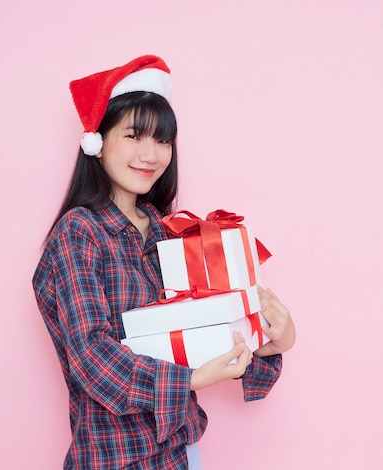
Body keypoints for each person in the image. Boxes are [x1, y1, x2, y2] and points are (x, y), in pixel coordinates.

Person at [32, 54, 296, 470]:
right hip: (115, 459)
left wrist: (271, 342)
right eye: (134, 135)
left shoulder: (165, 231)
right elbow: (91, 356)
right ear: (97, 143)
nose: (151, 155)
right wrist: (189, 380)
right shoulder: (78, 233)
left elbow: (203, 329)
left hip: (181, 452)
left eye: (163, 141)